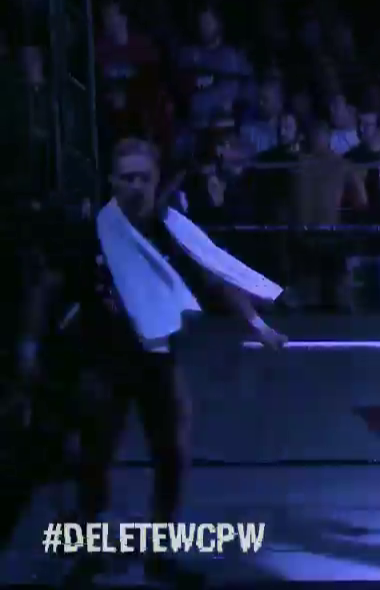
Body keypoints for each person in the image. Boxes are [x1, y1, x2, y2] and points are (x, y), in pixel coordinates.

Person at [12, 138, 287, 585]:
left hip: (157, 361)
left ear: (156, 180)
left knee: (172, 454)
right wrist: (28, 344)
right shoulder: (90, 232)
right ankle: (87, 552)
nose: (136, 186)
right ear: (113, 181)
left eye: (144, 177)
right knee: (96, 458)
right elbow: (48, 287)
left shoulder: (169, 232)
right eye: (128, 178)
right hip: (101, 360)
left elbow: (214, 277)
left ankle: (159, 554)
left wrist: (256, 323)